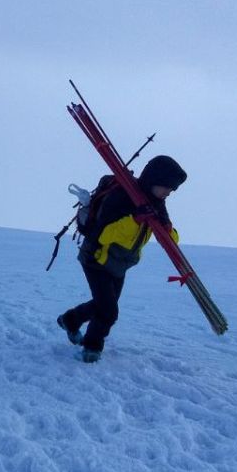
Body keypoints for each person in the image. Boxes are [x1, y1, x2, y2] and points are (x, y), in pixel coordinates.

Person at [57, 155, 188, 363]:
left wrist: (168, 229)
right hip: (97, 259)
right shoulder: (123, 196)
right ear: (154, 180)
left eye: (171, 190)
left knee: (103, 305)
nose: (168, 193)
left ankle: (70, 319)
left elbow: (170, 240)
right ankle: (92, 347)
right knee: (109, 311)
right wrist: (135, 220)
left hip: (120, 263)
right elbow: (104, 235)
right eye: (166, 187)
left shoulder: (156, 203)